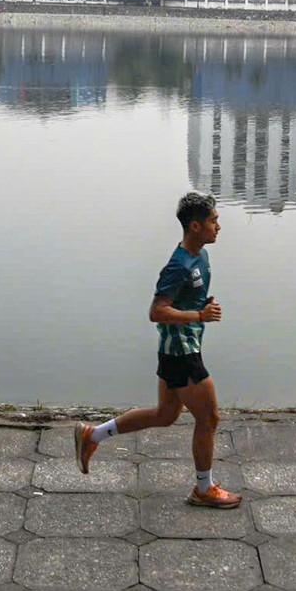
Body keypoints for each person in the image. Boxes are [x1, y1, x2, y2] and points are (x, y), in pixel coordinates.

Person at [76, 192, 241, 509]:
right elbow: (156, 311)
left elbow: (184, 302)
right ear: (195, 226)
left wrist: (201, 306)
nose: (219, 226)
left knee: (165, 415)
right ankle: (203, 489)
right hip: (181, 352)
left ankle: (92, 436)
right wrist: (198, 316)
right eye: (213, 221)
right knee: (209, 418)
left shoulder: (201, 257)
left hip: (180, 347)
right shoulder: (178, 266)